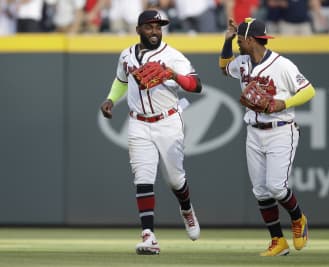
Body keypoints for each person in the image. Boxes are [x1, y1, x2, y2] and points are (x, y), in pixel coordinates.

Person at [100, 9, 202, 255]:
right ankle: (148, 236)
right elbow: (121, 80)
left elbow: (196, 85)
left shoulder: (173, 56)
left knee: (175, 180)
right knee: (143, 177)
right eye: (149, 26)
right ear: (138, 30)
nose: (155, 31)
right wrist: (111, 99)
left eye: (159, 26)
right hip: (138, 123)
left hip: (168, 121)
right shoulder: (126, 55)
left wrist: (172, 75)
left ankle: (186, 209)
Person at [218, 17, 315, 256]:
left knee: (276, 187)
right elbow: (223, 67)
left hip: (281, 129)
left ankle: (297, 218)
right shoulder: (241, 61)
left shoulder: (282, 65)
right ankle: (278, 242)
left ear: (251, 40)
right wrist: (227, 41)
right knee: (261, 191)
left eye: (241, 39)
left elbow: (309, 90)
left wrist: (284, 103)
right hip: (254, 131)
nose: (239, 43)